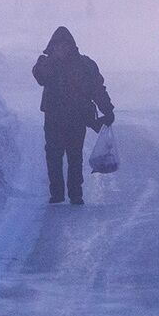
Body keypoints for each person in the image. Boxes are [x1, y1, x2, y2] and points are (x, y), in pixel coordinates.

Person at [32, 26, 115, 205]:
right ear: (52, 47)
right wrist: (51, 60)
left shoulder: (84, 65)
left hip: (76, 118)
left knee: (74, 156)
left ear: (72, 46)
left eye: (65, 46)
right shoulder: (46, 64)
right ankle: (57, 194)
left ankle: (75, 194)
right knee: (54, 156)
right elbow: (40, 76)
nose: (62, 49)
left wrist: (107, 109)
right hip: (54, 118)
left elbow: (97, 89)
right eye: (58, 46)